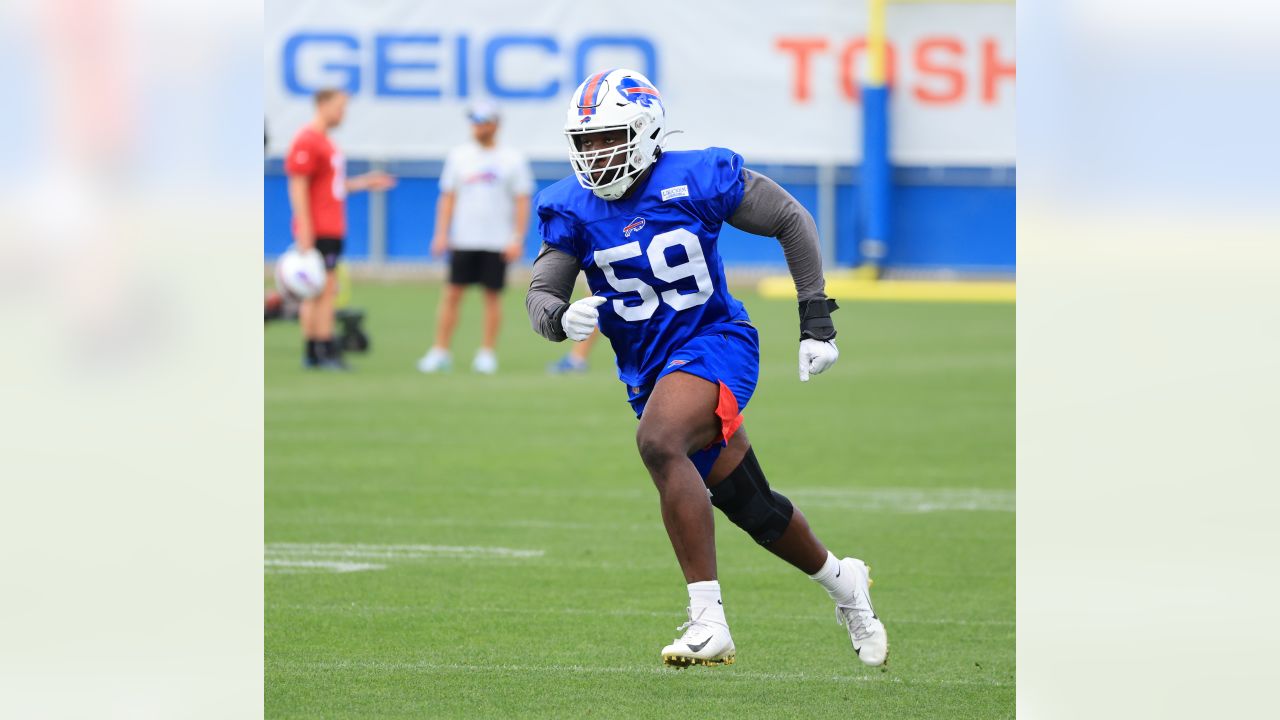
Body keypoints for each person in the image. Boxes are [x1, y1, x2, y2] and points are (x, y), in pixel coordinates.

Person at [526, 69, 888, 668]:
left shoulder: (695, 175)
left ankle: (707, 619)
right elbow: (542, 290)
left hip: (716, 341)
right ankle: (843, 581)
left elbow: (790, 218)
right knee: (752, 505)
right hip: (650, 372)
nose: (595, 155)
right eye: (585, 142)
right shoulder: (570, 205)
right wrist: (559, 319)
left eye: (607, 138)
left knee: (660, 439)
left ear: (644, 132)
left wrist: (815, 318)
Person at [418, 102, 534, 375]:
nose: (478, 127)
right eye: (475, 122)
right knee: (451, 294)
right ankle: (440, 350)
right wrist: (441, 234)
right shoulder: (459, 157)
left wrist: (517, 237)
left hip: (497, 241)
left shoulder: (512, 159)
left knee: (492, 297)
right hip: (464, 239)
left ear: (495, 124)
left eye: (483, 122)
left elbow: (521, 201)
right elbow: (447, 197)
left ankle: (486, 353)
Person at [285, 88, 395, 370]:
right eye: (339, 106)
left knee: (323, 289)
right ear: (322, 104)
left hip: (332, 226)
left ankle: (316, 350)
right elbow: (298, 184)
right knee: (322, 290)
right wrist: (305, 226)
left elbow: (332, 186)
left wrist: (366, 182)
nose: (343, 113)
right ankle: (322, 350)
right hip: (319, 228)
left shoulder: (326, 142)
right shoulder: (307, 139)